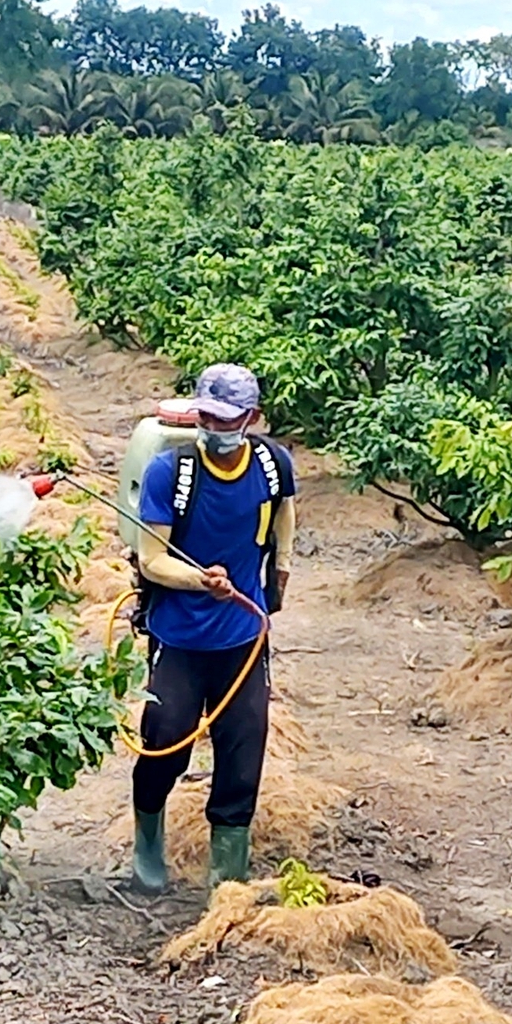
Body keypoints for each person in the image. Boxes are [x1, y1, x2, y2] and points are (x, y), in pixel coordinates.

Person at [131, 363, 295, 891]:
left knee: (243, 746)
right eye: (207, 416)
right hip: (179, 637)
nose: (216, 428)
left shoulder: (273, 465)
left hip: (242, 639)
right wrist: (200, 580)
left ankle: (229, 872)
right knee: (166, 739)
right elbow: (151, 558)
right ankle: (148, 842)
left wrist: (281, 573)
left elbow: (283, 514)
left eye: (227, 419)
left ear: (251, 418)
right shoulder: (169, 473)